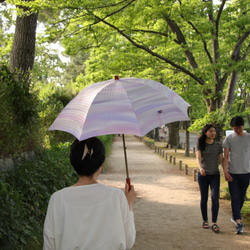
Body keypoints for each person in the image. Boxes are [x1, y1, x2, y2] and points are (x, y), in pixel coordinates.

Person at [43, 137, 137, 249]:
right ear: (101, 165)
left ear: (73, 163)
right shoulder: (116, 197)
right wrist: (129, 203)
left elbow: (49, 245)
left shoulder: (58, 199)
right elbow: (128, 241)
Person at [223, 116, 250, 234]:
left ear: (243, 126)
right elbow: (226, 156)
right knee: (234, 197)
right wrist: (225, 171)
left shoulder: (249, 138)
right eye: (234, 129)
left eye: (238, 128)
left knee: (241, 196)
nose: (236, 130)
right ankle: (238, 222)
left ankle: (235, 216)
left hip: (246, 172)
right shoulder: (229, 139)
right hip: (232, 172)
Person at [196, 124, 224, 233]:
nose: (213, 133)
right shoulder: (200, 144)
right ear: (205, 132)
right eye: (210, 131)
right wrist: (200, 168)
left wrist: (225, 170)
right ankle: (205, 220)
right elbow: (198, 158)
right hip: (203, 175)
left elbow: (221, 159)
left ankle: (214, 222)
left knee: (214, 198)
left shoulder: (218, 145)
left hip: (215, 175)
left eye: (214, 131)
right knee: (204, 198)